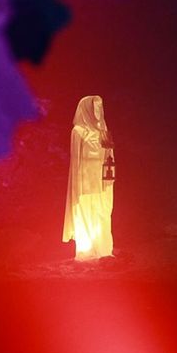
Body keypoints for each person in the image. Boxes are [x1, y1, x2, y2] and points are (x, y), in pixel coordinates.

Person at [64, 95, 115, 260]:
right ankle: (87, 250)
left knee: (101, 212)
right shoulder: (78, 132)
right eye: (95, 108)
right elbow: (76, 160)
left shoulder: (103, 131)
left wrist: (109, 177)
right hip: (85, 182)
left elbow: (109, 155)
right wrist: (77, 186)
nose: (98, 112)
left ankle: (102, 248)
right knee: (86, 212)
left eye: (100, 108)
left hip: (101, 180)